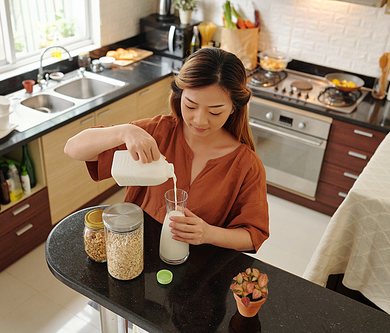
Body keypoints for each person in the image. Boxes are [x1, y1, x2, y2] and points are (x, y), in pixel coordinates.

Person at [64, 47, 269, 252]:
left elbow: (253, 236)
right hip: (138, 252)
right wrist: (123, 132)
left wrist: (207, 233)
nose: (199, 120)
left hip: (200, 265)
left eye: (215, 112)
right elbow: (72, 148)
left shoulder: (246, 165)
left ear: (234, 107)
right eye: (190, 106)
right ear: (180, 96)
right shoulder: (156, 133)